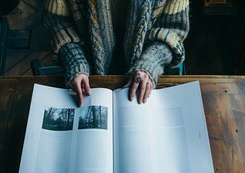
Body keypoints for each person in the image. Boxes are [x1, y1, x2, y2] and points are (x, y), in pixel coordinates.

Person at [42, 0, 189, 106]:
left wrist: (149, 64)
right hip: (87, 75)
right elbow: (57, 23)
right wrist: (75, 61)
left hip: (146, 77)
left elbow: (173, 29)